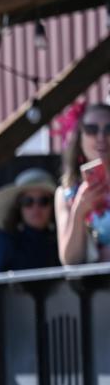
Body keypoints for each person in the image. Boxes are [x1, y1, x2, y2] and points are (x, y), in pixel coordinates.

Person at [56, 101, 110, 265]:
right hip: (93, 289)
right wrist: (79, 210)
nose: (101, 137)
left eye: (109, 129)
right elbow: (70, 259)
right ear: (79, 136)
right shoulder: (66, 193)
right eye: (91, 129)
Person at [0, 167, 60, 273]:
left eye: (43, 201)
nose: (36, 208)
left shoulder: (61, 244)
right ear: (18, 207)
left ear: (54, 205)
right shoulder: (4, 243)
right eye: (28, 201)